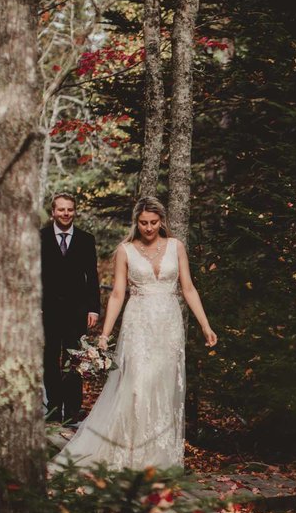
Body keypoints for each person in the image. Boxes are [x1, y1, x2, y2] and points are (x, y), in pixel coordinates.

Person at [52, 196, 217, 471]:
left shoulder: (176, 247)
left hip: (168, 324)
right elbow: (117, 294)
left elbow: (188, 288)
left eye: (153, 223)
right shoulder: (125, 250)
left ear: (161, 221)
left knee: (163, 387)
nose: (149, 228)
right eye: (143, 223)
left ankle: (158, 457)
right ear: (136, 222)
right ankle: (131, 454)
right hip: (138, 324)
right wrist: (105, 334)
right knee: (138, 386)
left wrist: (205, 325)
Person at [41, 193, 101, 424]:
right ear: (53, 212)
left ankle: (73, 411)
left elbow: (92, 277)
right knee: (50, 359)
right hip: (49, 310)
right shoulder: (41, 238)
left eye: (69, 210)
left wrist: (93, 309)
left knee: (75, 360)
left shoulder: (86, 239)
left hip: (77, 312)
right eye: (61, 210)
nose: (65, 214)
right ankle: (54, 408)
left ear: (74, 211)